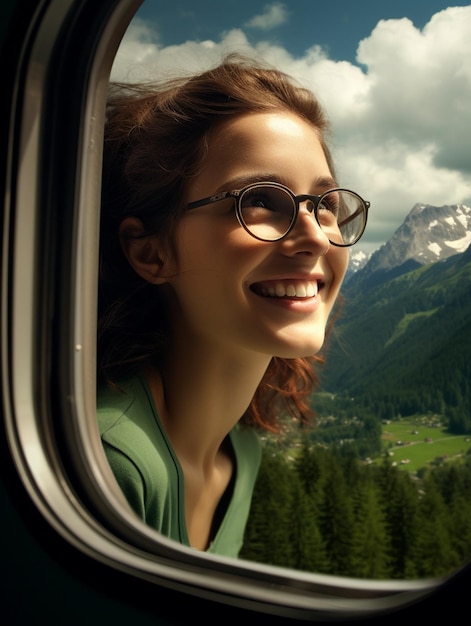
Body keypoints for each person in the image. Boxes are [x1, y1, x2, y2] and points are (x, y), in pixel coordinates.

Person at [96, 55, 369, 557]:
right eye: (260, 200)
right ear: (150, 252)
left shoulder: (240, 453)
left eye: (325, 204)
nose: (314, 237)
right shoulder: (107, 466)